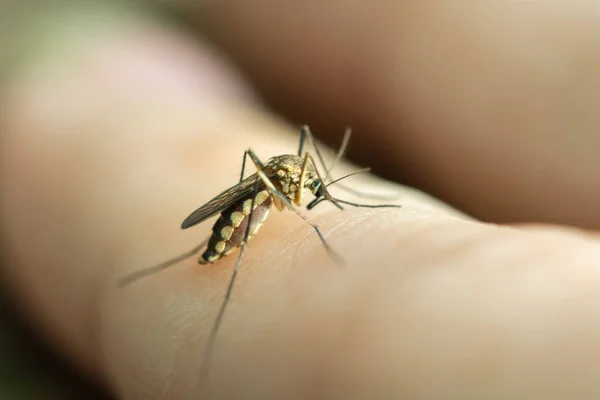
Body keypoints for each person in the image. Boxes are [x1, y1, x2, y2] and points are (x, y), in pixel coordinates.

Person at [2, 1, 600, 398]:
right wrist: (255, 214)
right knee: (258, 193)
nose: (315, 191)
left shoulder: (305, 163)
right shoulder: (282, 178)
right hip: (244, 195)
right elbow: (269, 178)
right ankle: (222, 267)